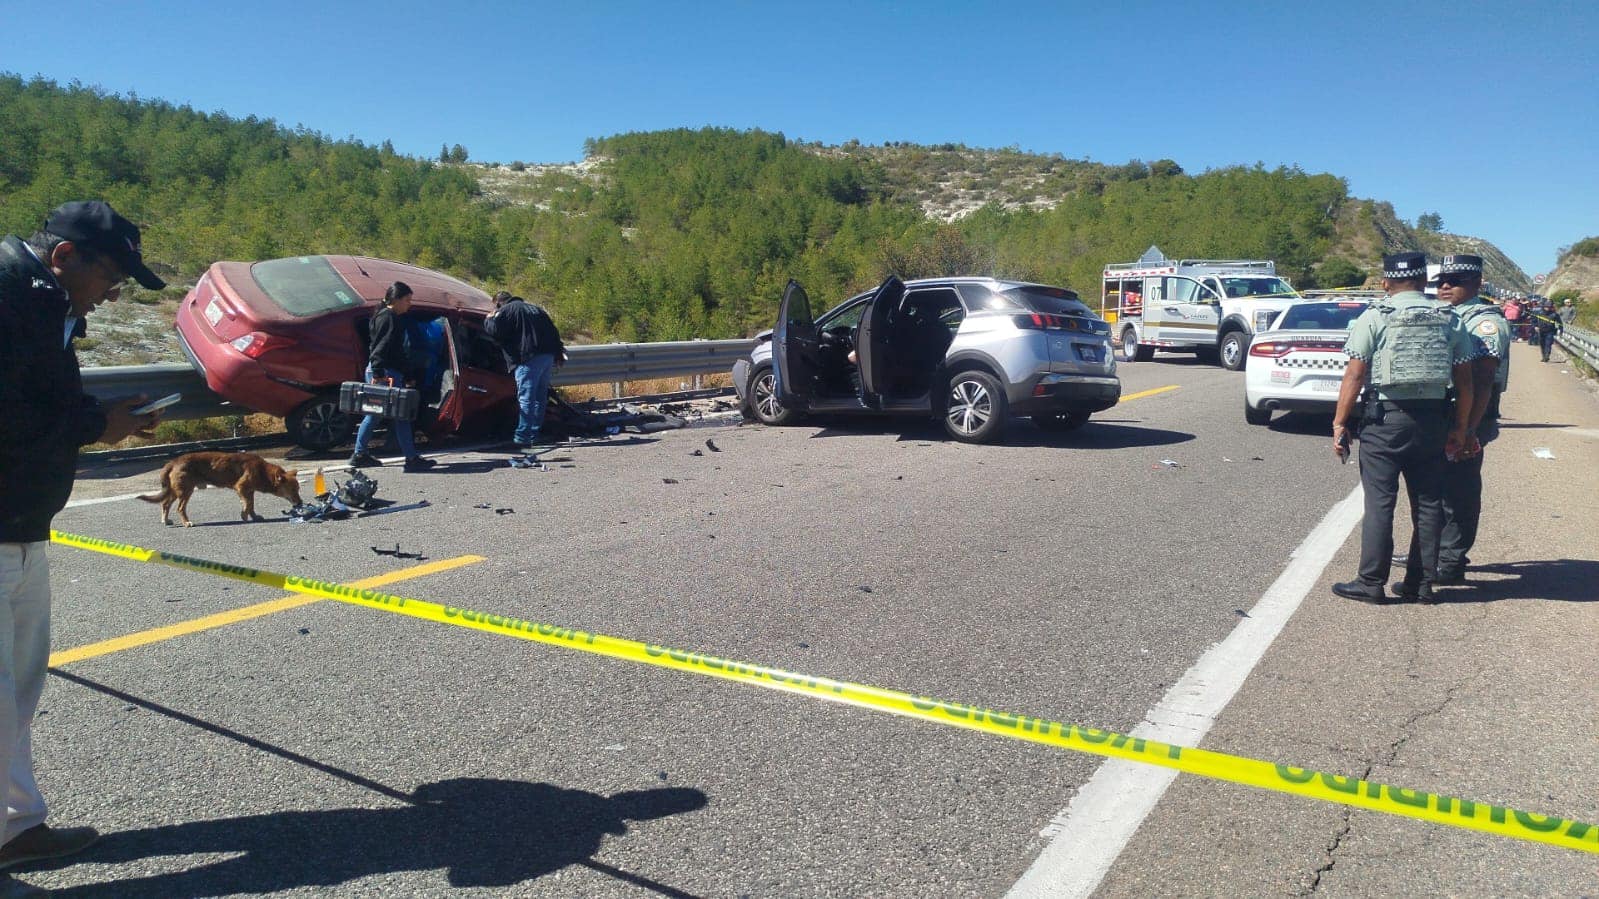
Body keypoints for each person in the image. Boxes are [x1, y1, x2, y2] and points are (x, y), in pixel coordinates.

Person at [0, 201, 168, 886]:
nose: (116, 290)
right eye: (112, 272)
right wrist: (97, 426)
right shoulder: (12, 299)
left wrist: (98, 419)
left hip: (21, 524)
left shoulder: (44, 305)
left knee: (19, 687)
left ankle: (16, 827)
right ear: (66, 255)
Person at [1331, 252, 1478, 604]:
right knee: (1428, 504)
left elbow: (1355, 374)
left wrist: (1339, 423)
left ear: (1385, 283)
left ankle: (1371, 583)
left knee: (1381, 502)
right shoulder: (1448, 318)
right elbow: (1465, 380)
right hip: (1433, 421)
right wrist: (1460, 428)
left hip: (1385, 420)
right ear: (1424, 282)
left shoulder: (1375, 317)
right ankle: (1421, 584)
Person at [1432, 255, 1508, 584]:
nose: (1445, 286)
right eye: (1441, 281)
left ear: (1476, 284)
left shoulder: (1484, 321)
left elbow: (1483, 380)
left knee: (1459, 490)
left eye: (1456, 281)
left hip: (1469, 417)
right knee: (1438, 489)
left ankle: (1451, 561)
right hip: (1447, 414)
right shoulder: (1447, 316)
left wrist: (1469, 430)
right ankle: (1433, 553)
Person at [348, 282, 435, 472]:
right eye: (407, 300)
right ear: (395, 300)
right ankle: (411, 459)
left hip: (381, 370)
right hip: (386, 373)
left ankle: (360, 454)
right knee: (401, 415)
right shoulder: (390, 318)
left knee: (374, 414)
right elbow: (382, 347)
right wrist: (379, 374)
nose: (409, 304)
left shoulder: (382, 315)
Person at [484, 292, 566, 449]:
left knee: (526, 398)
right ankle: (534, 433)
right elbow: (553, 332)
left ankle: (523, 436)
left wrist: (489, 319)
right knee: (539, 397)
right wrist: (557, 353)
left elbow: (495, 331)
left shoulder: (506, 310)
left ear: (499, 303)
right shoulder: (536, 309)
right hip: (547, 357)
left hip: (527, 358)